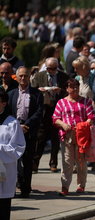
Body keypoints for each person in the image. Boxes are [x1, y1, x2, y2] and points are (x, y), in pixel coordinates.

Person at [52, 79, 95, 195]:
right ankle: (65, 187)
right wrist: (63, 124)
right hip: (66, 136)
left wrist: (83, 125)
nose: (74, 89)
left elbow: (91, 117)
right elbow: (55, 118)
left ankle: (81, 186)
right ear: (67, 89)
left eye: (76, 86)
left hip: (82, 136)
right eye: (71, 86)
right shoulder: (61, 102)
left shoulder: (86, 101)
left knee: (81, 162)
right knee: (67, 162)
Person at [8, 66, 43, 198]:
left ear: (29, 77)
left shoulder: (36, 94)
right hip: (13, 131)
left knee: (27, 161)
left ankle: (25, 188)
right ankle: (14, 186)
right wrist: (17, 126)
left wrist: (26, 125)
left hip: (29, 131)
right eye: (21, 76)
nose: (23, 78)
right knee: (13, 161)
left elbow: (39, 112)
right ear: (16, 77)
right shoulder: (11, 94)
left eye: (26, 76)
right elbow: (9, 112)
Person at [31, 57, 69, 173]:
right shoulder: (39, 75)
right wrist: (40, 90)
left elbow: (68, 91)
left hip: (57, 110)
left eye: (53, 68)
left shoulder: (63, 76)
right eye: (49, 68)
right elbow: (33, 90)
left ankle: (53, 163)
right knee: (40, 137)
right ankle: (35, 163)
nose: (51, 71)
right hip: (44, 110)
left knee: (55, 138)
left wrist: (60, 91)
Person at [0, 88, 26, 220]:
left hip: (4, 170)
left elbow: (18, 148)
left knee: (3, 205)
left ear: (4, 103)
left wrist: (0, 149)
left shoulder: (12, 123)